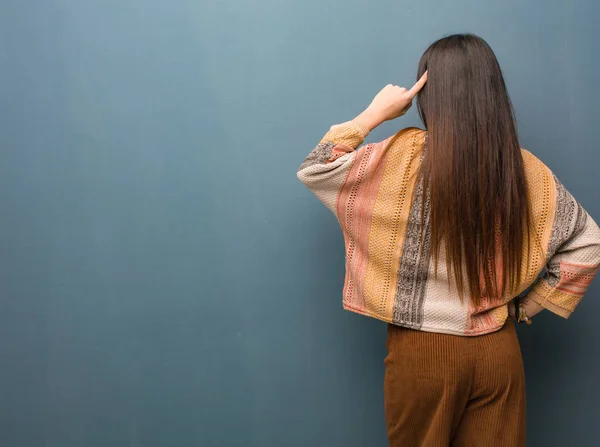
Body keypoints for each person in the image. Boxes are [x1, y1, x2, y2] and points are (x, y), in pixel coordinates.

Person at [296, 34, 600, 446]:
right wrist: (524, 307)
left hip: (423, 352)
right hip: (499, 352)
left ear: (428, 93)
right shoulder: (522, 169)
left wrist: (373, 115)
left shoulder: (400, 159)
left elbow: (316, 169)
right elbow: (588, 241)